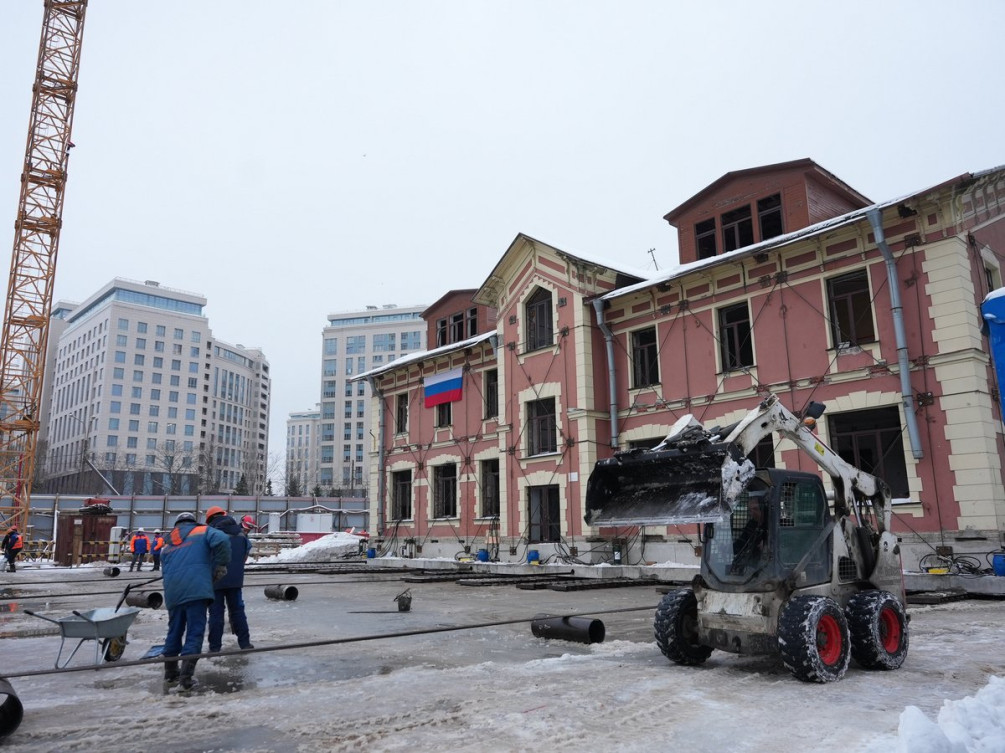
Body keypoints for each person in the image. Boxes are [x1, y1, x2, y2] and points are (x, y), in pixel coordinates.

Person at [160, 512, 231, 690]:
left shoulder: (167, 543)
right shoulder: (202, 530)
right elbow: (222, 539)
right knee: (194, 631)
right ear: (192, 521)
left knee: (174, 631)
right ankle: (186, 677)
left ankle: (170, 672)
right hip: (196, 589)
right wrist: (220, 565)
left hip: (173, 592)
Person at [205, 506, 254, 652]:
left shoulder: (209, 533)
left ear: (210, 519)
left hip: (215, 580)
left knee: (216, 613)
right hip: (235, 580)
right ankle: (245, 643)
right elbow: (245, 555)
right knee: (238, 611)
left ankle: (214, 648)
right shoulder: (241, 534)